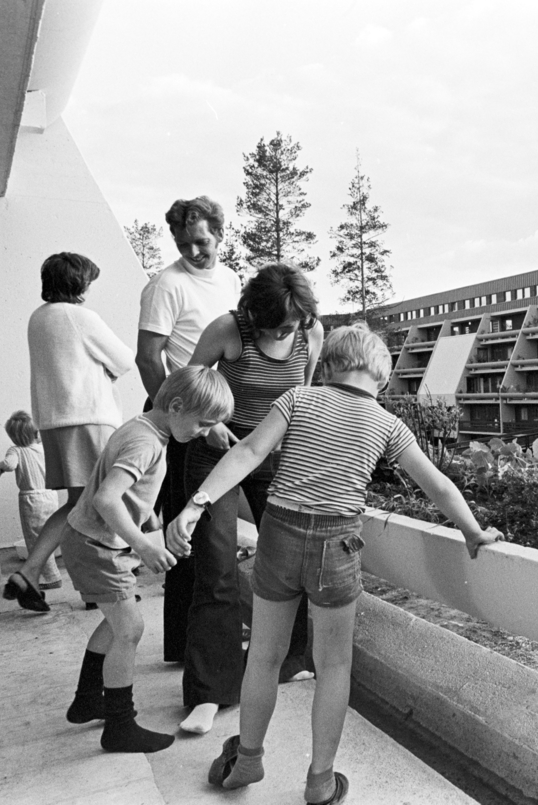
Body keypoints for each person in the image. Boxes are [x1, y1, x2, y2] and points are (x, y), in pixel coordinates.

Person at [167, 324, 502, 804]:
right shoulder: (387, 423)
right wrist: (473, 531)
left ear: (327, 367)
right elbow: (439, 486)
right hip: (336, 543)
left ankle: (247, 759)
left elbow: (249, 451)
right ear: (382, 378)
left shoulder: (298, 399)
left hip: (280, 533)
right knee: (334, 665)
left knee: (263, 656)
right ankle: (321, 780)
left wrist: (197, 503)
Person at [178, 263, 325, 735]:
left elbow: (302, 394)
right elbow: (189, 384)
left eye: (297, 323)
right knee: (217, 566)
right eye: (280, 324)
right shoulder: (228, 330)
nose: (291, 331)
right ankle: (209, 692)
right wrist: (213, 421)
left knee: (289, 558)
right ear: (255, 315)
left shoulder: (310, 331)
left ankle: (291, 660)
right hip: (217, 450)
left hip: (275, 448)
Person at [61, 366, 233, 754]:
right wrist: (144, 546)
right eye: (203, 424)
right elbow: (107, 499)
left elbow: (133, 496)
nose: (205, 433)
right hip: (97, 546)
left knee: (115, 622)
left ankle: (88, 699)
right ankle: (119, 725)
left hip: (95, 542)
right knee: (130, 630)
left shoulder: (145, 430)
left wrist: (155, 528)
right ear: (175, 406)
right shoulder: (147, 443)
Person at [136, 196, 240, 661]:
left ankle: (203, 636)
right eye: (184, 244)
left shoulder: (232, 279)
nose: (195, 252)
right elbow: (147, 356)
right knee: (185, 531)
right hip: (183, 415)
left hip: (209, 413)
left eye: (202, 242)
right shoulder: (166, 285)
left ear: (220, 233)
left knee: (210, 527)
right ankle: (182, 643)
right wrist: (182, 418)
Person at [4, 253, 136, 612]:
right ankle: (101, 586)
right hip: (87, 419)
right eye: (88, 281)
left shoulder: (38, 318)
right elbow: (125, 360)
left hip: (53, 423)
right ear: (78, 284)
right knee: (102, 501)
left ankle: (31, 572)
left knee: (80, 504)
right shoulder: (79, 316)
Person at [0, 411, 62, 592]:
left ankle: (50, 577)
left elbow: (9, 465)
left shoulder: (16, 450)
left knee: (35, 539)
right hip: (50, 495)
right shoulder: (43, 448)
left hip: (32, 498)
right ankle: (51, 574)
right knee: (48, 536)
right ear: (35, 434)